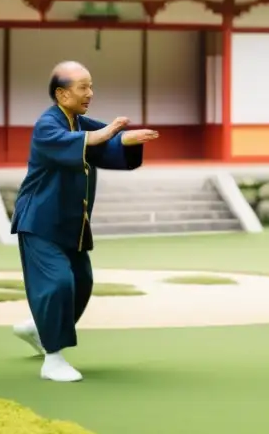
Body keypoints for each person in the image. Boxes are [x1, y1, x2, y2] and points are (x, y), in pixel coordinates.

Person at [10, 61, 159, 382]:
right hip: (39, 220)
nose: (90, 93)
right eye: (83, 87)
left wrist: (127, 142)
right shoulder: (47, 125)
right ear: (62, 94)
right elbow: (89, 141)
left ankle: (39, 328)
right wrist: (108, 133)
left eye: (90, 86)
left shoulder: (79, 122)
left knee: (81, 283)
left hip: (72, 225)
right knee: (58, 283)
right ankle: (53, 359)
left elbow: (105, 146)